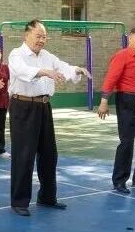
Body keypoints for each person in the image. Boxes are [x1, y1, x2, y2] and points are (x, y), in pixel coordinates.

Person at [7, 20, 90, 216]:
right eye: (38, 36)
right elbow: (22, 71)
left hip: (44, 107)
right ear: (26, 35)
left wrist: (76, 70)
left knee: (49, 154)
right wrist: (44, 72)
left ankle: (47, 197)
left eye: (44, 37)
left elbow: (63, 67)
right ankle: (19, 201)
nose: (42, 40)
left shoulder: (47, 56)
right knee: (24, 155)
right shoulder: (16, 54)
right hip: (23, 106)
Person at [97, 26, 135, 193]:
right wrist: (104, 101)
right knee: (127, 141)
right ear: (130, 39)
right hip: (128, 100)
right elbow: (111, 78)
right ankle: (119, 180)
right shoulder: (122, 56)